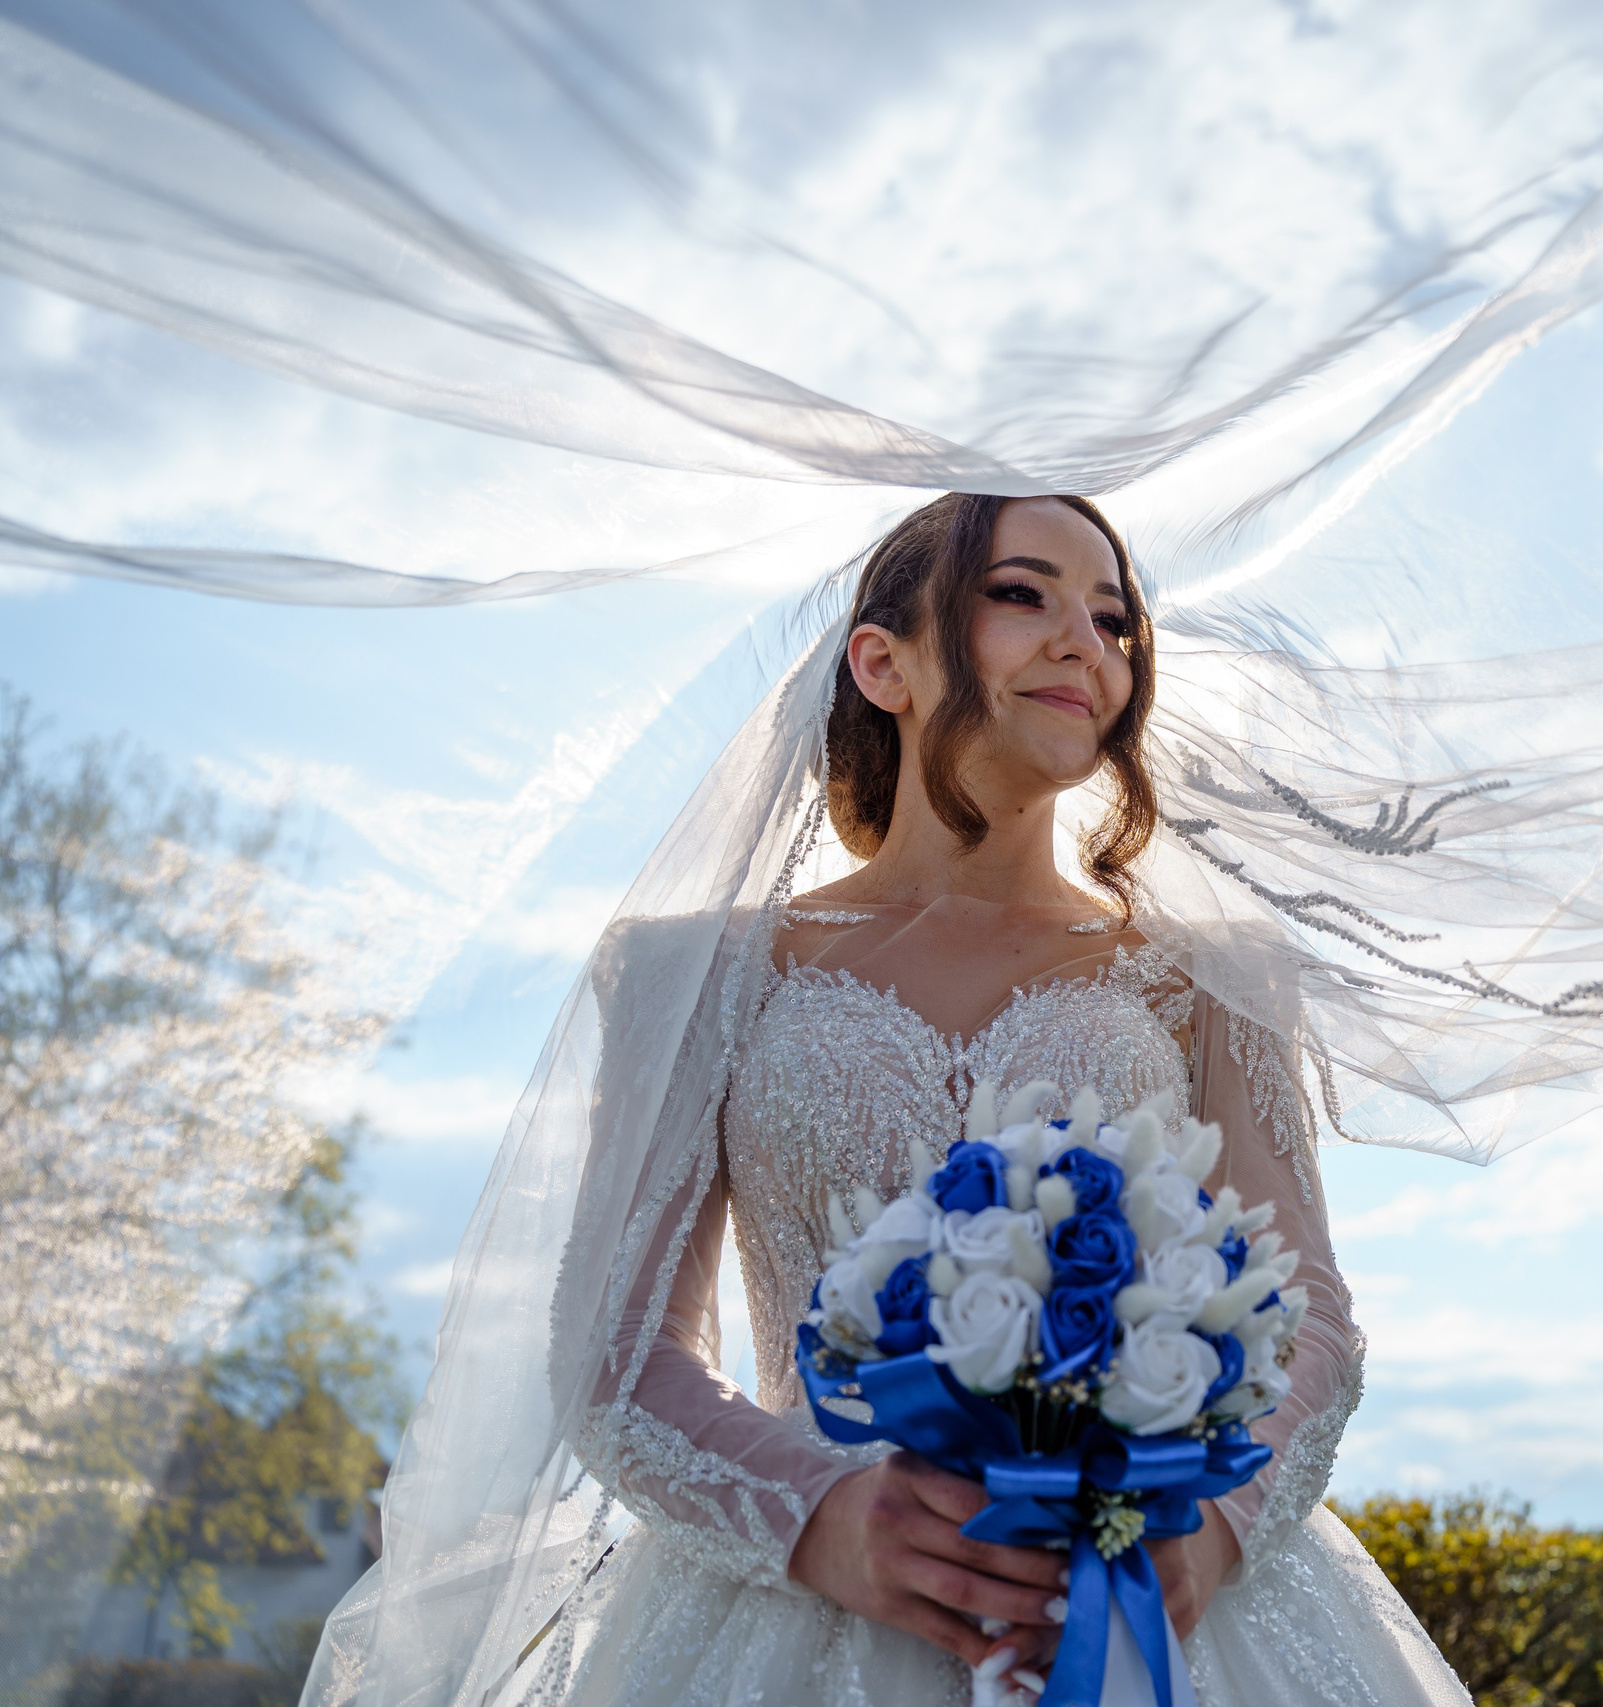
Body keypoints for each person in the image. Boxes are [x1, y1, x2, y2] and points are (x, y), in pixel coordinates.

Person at [500, 492, 1470, 1705]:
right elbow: (621, 1349)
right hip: (799, 1620)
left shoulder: (1209, 976)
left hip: (1152, 1598)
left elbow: (1309, 1309)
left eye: (1114, 620)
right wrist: (822, 1516)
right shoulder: (694, 972)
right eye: (1023, 595)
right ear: (883, 662)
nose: (1087, 642)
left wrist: (1209, 1520)